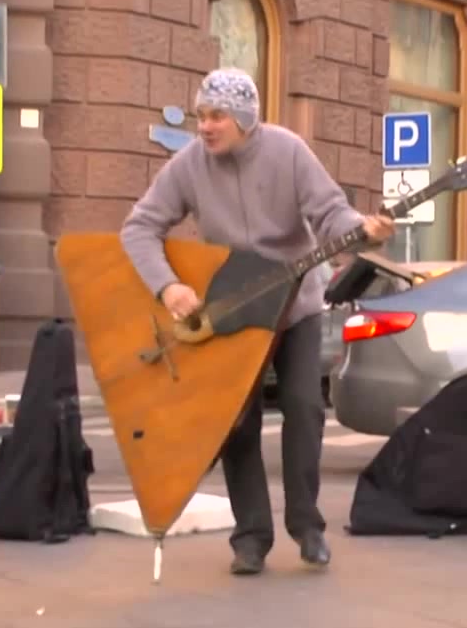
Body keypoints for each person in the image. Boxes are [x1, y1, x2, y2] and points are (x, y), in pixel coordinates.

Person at [119, 67, 396, 575]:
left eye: (217, 116)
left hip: (295, 305)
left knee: (304, 407)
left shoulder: (288, 152)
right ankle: (250, 538)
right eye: (201, 115)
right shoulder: (188, 165)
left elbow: (331, 214)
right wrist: (168, 286)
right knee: (236, 420)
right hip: (233, 309)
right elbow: (139, 228)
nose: (205, 126)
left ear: (245, 119)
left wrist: (363, 231)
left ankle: (307, 526)